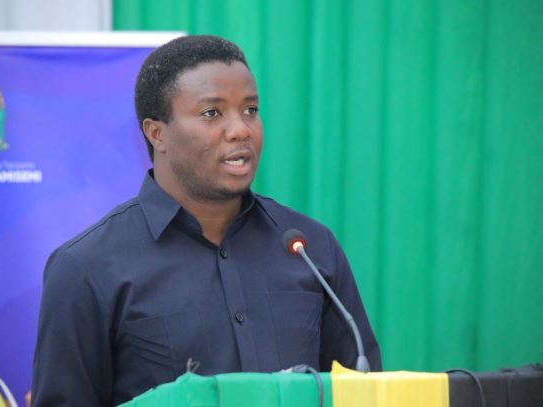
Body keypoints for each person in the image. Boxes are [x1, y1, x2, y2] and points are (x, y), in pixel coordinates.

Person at [32, 35, 381, 407]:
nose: (241, 129)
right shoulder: (87, 268)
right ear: (157, 133)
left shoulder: (309, 248)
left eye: (250, 110)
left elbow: (363, 392)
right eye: (212, 113)